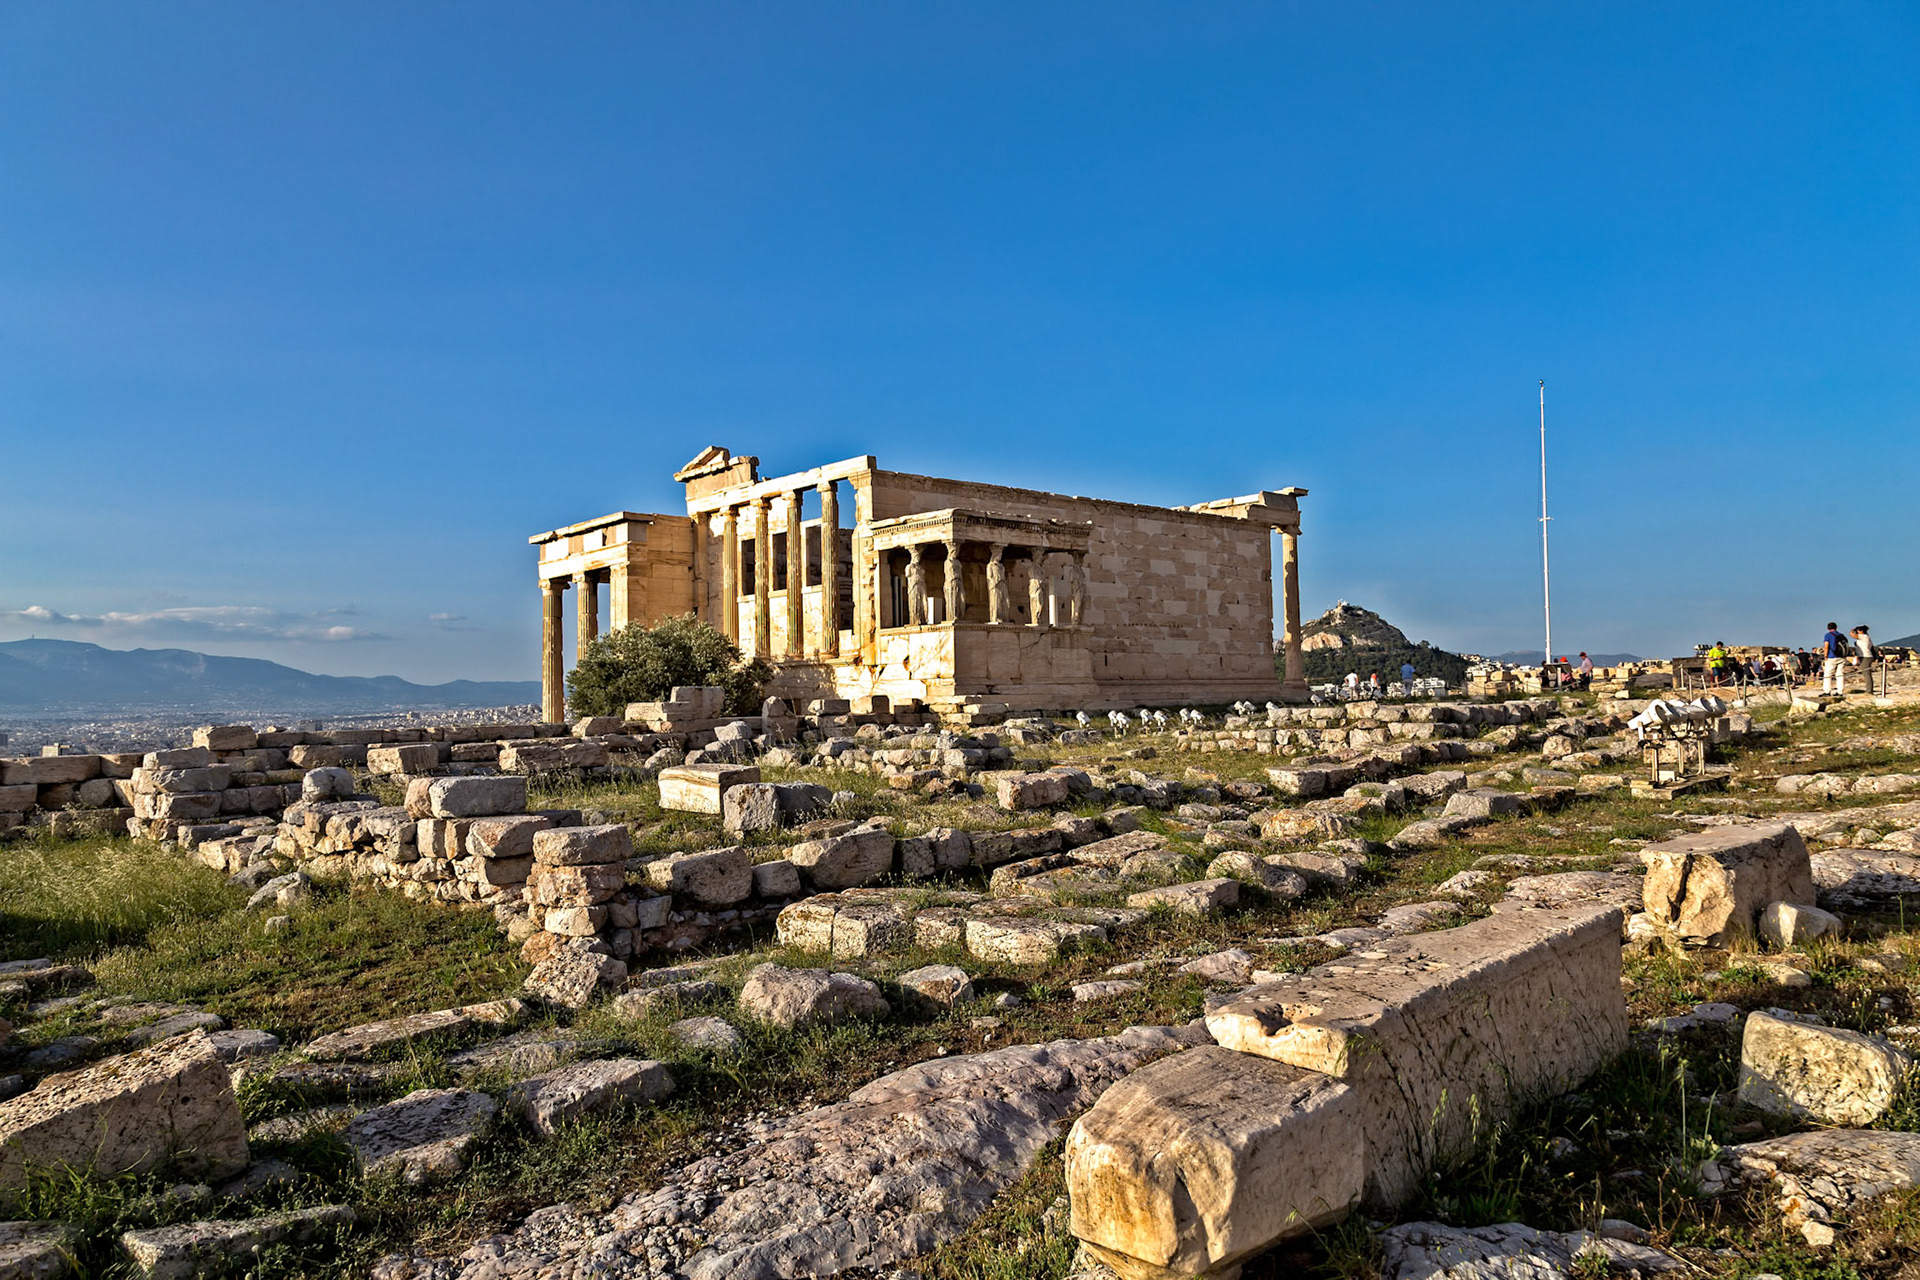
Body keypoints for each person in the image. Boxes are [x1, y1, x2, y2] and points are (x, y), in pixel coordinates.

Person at [1822, 622, 1852, 694]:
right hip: (1841, 656)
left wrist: (1825, 655)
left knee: (1828, 674)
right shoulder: (1841, 635)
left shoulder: (1828, 635)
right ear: (1836, 627)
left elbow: (1826, 646)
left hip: (1832, 656)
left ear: (1828, 628)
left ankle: (1827, 691)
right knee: (1840, 674)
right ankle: (1840, 691)